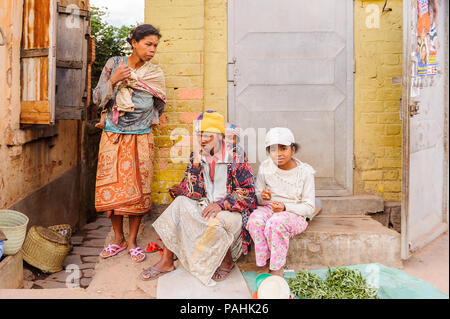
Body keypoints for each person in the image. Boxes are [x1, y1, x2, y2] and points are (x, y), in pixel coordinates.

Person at [140, 111, 256, 286]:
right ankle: (167, 261)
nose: (202, 140)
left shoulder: (235, 155)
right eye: (200, 135)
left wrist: (221, 204)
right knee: (179, 203)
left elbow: (248, 192)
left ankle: (227, 261)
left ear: (220, 136)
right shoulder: (197, 154)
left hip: (233, 212)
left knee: (216, 218)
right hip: (206, 205)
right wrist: (194, 166)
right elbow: (193, 194)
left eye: (208, 136)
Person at [93, 24, 166, 263]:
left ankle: (133, 240)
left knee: (138, 190)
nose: (152, 49)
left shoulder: (155, 73)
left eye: (155, 45)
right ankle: (118, 238)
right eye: (148, 44)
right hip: (113, 135)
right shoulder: (114, 64)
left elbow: (160, 102)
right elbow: (96, 98)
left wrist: (152, 116)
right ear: (134, 43)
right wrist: (113, 81)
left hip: (142, 136)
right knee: (113, 190)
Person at [246, 127, 316, 277]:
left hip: (293, 213)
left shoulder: (305, 172)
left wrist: (285, 207)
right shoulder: (265, 167)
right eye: (273, 150)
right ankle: (265, 262)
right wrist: (262, 197)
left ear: (293, 149)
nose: (278, 154)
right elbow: (257, 197)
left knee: (275, 223)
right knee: (255, 220)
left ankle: (277, 267)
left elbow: (309, 207)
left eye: (283, 148)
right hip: (269, 208)